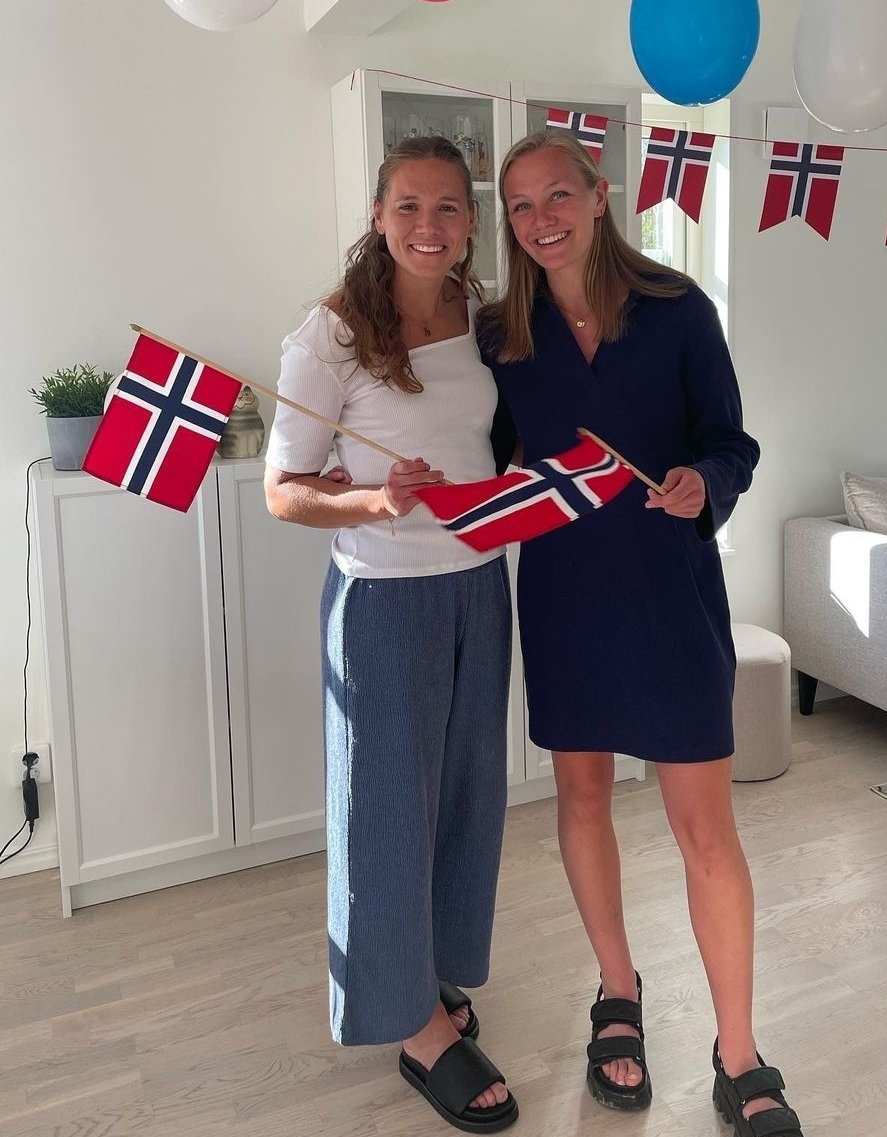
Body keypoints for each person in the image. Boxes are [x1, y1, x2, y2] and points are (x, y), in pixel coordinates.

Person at [478, 129, 803, 1137]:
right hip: (565, 596)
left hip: (670, 597)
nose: (540, 219)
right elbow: (486, 455)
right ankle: (615, 993)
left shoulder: (676, 307)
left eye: (557, 195)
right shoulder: (501, 334)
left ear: (599, 194)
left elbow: (731, 440)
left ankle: (737, 1053)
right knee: (580, 797)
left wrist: (706, 479)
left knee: (706, 831)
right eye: (520, 205)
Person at [264, 135, 519, 1134]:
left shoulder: (479, 319)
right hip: (382, 599)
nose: (428, 225)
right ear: (377, 215)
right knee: (384, 812)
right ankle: (413, 1025)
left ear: (470, 221)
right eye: (408, 205)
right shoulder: (328, 336)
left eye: (448, 207)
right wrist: (374, 500)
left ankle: (431, 973)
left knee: (464, 800)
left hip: (478, 587)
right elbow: (285, 493)